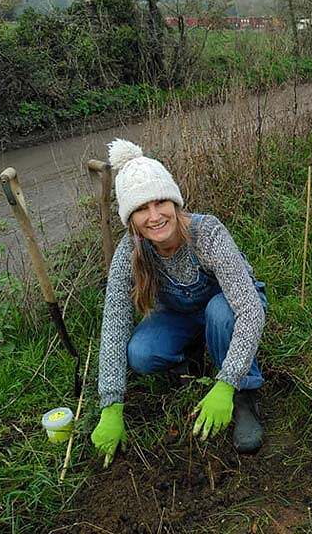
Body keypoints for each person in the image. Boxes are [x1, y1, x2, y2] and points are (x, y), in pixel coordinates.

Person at [91, 139, 267, 465]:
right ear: (130, 219)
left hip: (227, 309)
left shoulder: (207, 233)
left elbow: (250, 308)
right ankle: (197, 355)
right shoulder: (129, 252)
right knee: (140, 353)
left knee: (220, 312)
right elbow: (114, 321)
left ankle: (245, 395)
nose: (155, 216)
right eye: (142, 208)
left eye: (161, 203)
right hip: (182, 316)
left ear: (175, 203)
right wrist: (111, 405)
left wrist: (227, 384)